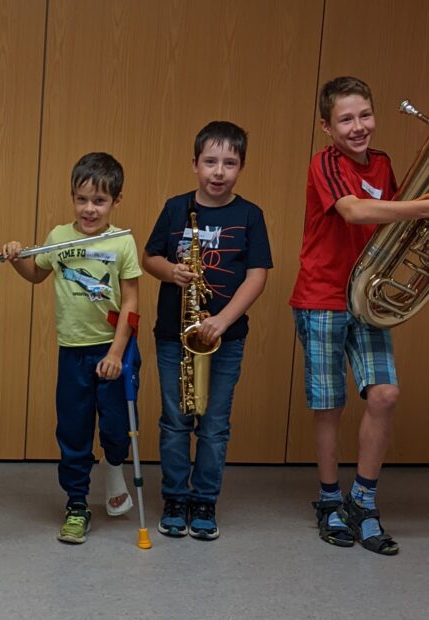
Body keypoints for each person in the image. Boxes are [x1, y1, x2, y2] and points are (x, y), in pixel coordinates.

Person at [290, 76, 429, 555]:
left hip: (366, 296)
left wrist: (415, 215)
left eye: (364, 115)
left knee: (385, 395)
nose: (358, 126)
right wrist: (422, 208)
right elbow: (354, 211)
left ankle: (363, 501)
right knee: (329, 405)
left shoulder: (385, 162)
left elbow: (393, 221)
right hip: (323, 295)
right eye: (345, 119)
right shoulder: (323, 163)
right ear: (326, 126)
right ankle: (330, 501)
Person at [1, 152, 140, 544]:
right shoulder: (59, 237)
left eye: (99, 201)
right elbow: (35, 274)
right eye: (82, 199)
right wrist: (15, 257)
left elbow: (131, 302)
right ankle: (77, 504)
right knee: (74, 431)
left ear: (116, 201)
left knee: (115, 427)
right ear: (72, 197)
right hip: (73, 352)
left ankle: (113, 465)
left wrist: (115, 354)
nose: (90, 209)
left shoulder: (122, 241)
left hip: (115, 347)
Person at [143, 121, 271, 541]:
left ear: (241, 167)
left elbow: (256, 276)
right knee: (175, 421)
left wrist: (222, 321)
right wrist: (172, 271)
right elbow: (149, 258)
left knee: (214, 424)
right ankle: (175, 498)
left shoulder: (250, 215)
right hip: (174, 335)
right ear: (194, 163)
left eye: (229, 163)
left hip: (225, 337)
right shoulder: (176, 208)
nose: (219, 171)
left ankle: (205, 501)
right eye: (211, 162)